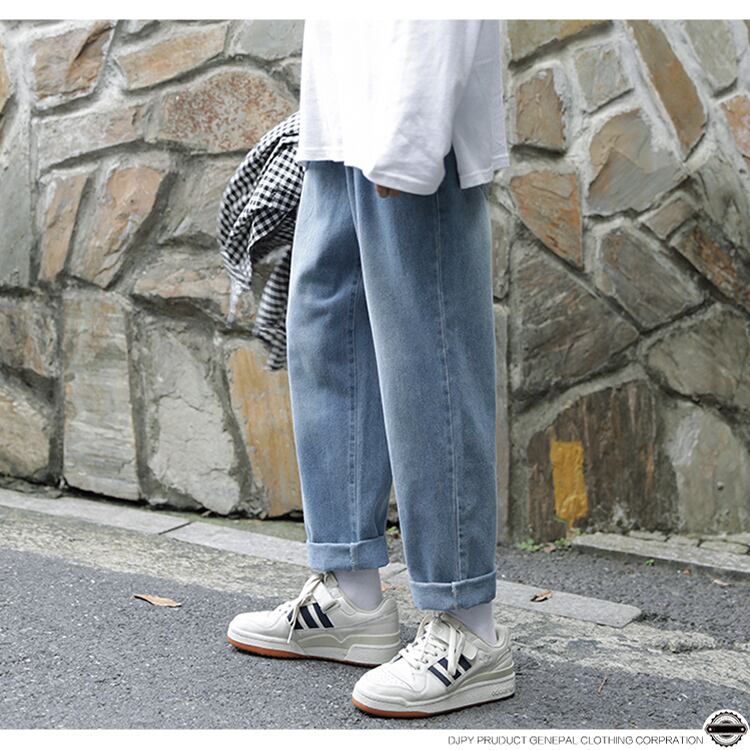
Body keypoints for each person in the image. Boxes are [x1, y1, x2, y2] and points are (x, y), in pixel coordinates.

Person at [227, 19, 515, 718]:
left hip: (409, 107)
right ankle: (350, 595)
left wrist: (414, 133)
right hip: (339, 115)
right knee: (326, 335)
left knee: (429, 360)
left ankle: (469, 627)